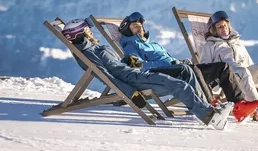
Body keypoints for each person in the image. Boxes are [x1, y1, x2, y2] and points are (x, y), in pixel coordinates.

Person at [61, 18, 233, 130]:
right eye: (87, 30)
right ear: (79, 34)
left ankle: (207, 110)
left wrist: (128, 62)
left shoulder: (94, 48)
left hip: (132, 73)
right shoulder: (89, 54)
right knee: (178, 84)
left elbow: (114, 66)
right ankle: (210, 117)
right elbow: (108, 76)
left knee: (181, 80)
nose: (90, 32)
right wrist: (130, 93)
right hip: (133, 80)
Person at [118, 11, 258, 122]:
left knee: (223, 67)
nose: (139, 28)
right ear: (127, 30)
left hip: (180, 68)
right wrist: (172, 64)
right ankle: (209, 105)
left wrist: (178, 61)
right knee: (192, 69)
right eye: (135, 26)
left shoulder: (153, 44)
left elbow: (169, 60)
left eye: (140, 25)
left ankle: (239, 106)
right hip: (167, 75)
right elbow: (139, 67)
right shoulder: (131, 45)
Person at [200, 10, 258, 122]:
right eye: (219, 27)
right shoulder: (210, 45)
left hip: (244, 76)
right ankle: (257, 106)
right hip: (225, 78)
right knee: (242, 71)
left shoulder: (236, 42)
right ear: (214, 30)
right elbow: (204, 67)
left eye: (225, 25)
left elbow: (249, 63)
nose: (223, 28)